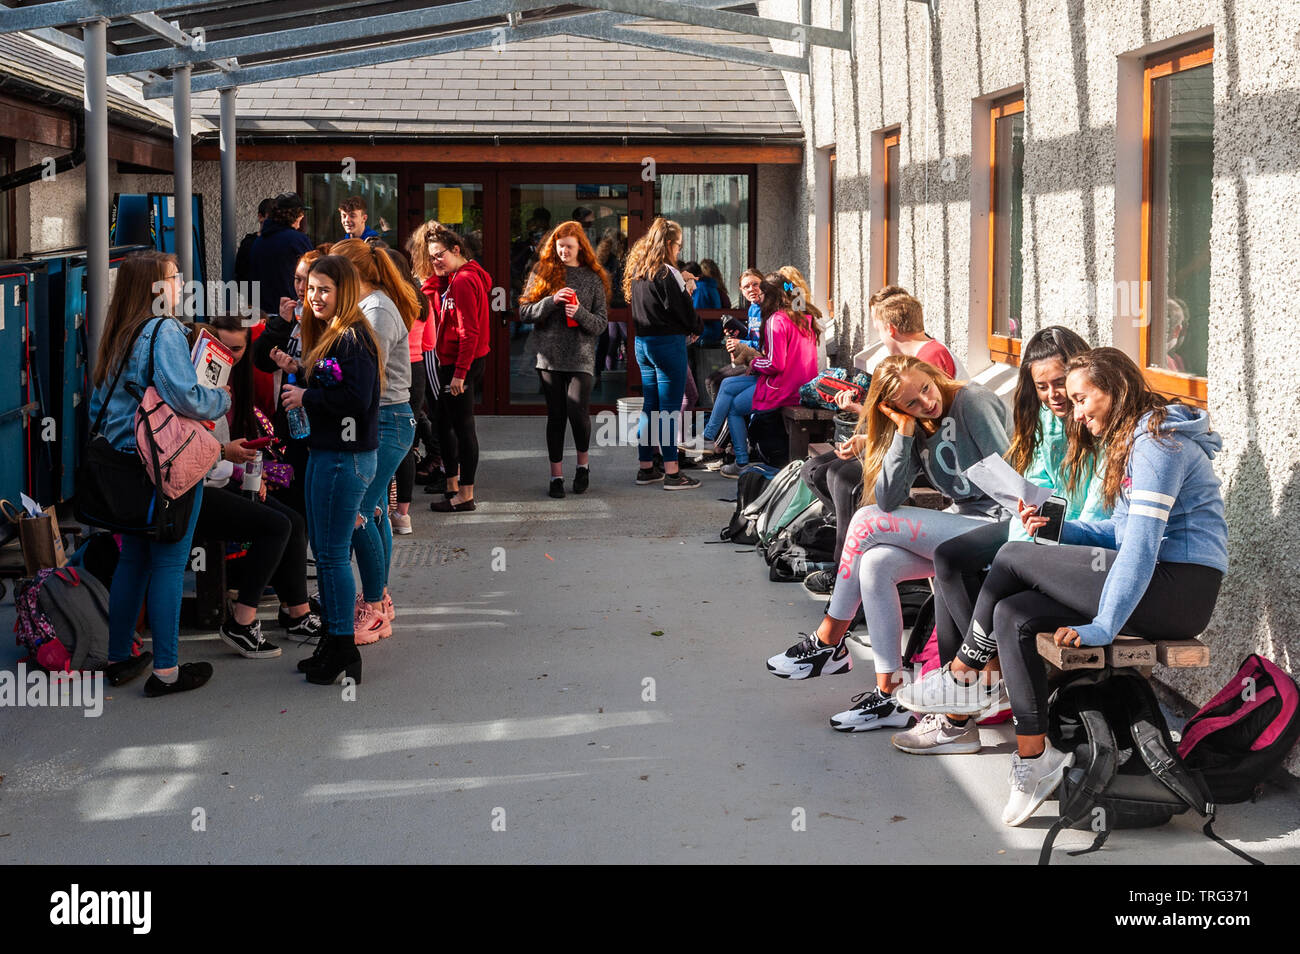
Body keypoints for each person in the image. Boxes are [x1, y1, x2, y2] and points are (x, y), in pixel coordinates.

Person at [900, 347, 1227, 825]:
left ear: (1113, 392)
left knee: (1009, 556)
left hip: (1179, 590)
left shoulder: (1158, 443)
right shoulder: (1131, 443)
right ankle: (1035, 760)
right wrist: (1056, 530)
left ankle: (964, 674)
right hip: (1153, 580)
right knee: (1013, 612)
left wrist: (1103, 626)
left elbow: (1138, 549)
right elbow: (1117, 535)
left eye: (1081, 399)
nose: (1075, 412)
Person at [764, 354, 1011, 735]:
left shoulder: (972, 401)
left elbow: (1011, 477)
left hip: (1003, 525)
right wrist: (903, 435)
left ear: (932, 374)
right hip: (965, 523)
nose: (926, 403)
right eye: (910, 402)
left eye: (925, 389)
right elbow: (889, 497)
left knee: (864, 521)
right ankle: (890, 694)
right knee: (876, 563)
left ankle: (829, 640)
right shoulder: (915, 426)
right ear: (894, 408)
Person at [890, 326, 1106, 755]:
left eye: (1060, 383)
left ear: (1083, 373)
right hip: (1041, 529)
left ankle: (964, 697)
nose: (1053, 395)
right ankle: (970, 687)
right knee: (950, 558)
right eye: (1041, 386)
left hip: (1080, 542)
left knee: (991, 567)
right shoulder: (1045, 417)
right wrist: (1025, 518)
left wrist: (1029, 539)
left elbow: (1091, 508)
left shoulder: (1095, 423)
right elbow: (1040, 483)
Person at [89, 251, 230, 696]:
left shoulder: (118, 330)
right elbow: (185, 396)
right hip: (164, 463)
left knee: (133, 558)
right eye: (173, 276)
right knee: (170, 562)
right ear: (154, 286)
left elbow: (101, 405)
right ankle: (167, 671)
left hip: (122, 461)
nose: (180, 282)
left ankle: (119, 657)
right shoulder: (163, 328)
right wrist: (221, 398)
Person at [799, 286, 962, 598]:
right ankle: (850, 555)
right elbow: (903, 419)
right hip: (911, 446)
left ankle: (846, 571)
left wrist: (871, 434)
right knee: (815, 471)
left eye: (877, 329)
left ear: (890, 328)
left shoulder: (929, 358)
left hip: (934, 458)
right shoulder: (913, 357)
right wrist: (866, 435)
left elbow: (927, 422)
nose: (881, 338)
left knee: (844, 479)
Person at [278, 255, 381, 685]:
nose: (315, 297)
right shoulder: (335, 333)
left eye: (324, 289)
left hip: (344, 457)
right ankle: (334, 643)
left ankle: (343, 650)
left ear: (345, 292)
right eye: (311, 288)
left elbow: (356, 400)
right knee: (325, 552)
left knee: (334, 554)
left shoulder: (353, 337)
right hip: (330, 454)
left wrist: (307, 399)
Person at [196, 314, 322, 659]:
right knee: (277, 525)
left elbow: (230, 445)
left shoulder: (234, 378)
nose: (232, 355)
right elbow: (201, 451)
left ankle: (297, 612)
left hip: (221, 477)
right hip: (198, 488)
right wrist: (240, 472)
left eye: (238, 348)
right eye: (224, 347)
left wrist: (250, 473)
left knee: (292, 520)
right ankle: (241, 623)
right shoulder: (200, 381)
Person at [313, 238, 419, 641]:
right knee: (372, 511)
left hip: (387, 419)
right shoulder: (374, 304)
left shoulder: (374, 310)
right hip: (392, 418)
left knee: (356, 513)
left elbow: (358, 377)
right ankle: (380, 599)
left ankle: (373, 607)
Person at [518, 220, 611, 498]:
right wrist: (551, 301)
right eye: (560, 247)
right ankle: (555, 476)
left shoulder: (593, 278)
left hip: (580, 356)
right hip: (549, 357)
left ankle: (583, 467)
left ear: (580, 247)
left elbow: (601, 323)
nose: (564, 252)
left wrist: (579, 313)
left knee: (578, 413)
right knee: (556, 416)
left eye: (569, 247)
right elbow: (523, 312)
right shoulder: (542, 272)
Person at [701, 274, 819, 477]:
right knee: (728, 384)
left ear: (770, 295)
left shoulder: (776, 320)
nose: (758, 296)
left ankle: (739, 460)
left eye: (761, 291)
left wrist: (753, 362)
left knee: (735, 407)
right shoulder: (804, 317)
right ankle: (708, 437)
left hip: (783, 387)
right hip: (799, 384)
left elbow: (775, 363)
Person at [418, 224, 492, 512]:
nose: (435, 261)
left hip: (460, 364)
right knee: (445, 424)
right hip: (454, 362)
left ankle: (466, 494)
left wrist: (460, 374)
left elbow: (468, 332)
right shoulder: (456, 277)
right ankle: (452, 485)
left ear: (456, 250)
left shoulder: (463, 281)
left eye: (439, 255)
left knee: (462, 427)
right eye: (431, 256)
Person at [624, 217, 702, 490]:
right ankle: (672, 473)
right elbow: (683, 312)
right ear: (669, 244)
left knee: (651, 407)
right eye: (678, 245)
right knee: (669, 411)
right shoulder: (668, 273)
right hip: (668, 344)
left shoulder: (640, 271)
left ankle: (646, 467)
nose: (679, 250)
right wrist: (696, 323)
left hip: (643, 344)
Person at [252, 248, 322, 519]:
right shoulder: (293, 314)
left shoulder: (323, 318)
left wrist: (299, 370)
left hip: (316, 421)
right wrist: (279, 324)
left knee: (311, 497)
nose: (301, 287)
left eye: (308, 281)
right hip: (290, 420)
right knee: (294, 495)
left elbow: (334, 373)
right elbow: (261, 361)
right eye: (297, 279)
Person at [389, 247, 435, 534]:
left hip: (393, 368)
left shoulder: (387, 301)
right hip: (416, 368)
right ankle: (403, 513)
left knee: (385, 437)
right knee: (406, 440)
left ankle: (386, 504)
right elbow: (430, 342)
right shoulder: (421, 299)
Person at [250, 192, 313, 320]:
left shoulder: (258, 241)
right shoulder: (297, 240)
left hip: (263, 314)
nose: (302, 216)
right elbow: (314, 271)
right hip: (289, 312)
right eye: (301, 213)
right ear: (295, 215)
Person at [234, 197, 273, 284]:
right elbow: (240, 274)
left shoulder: (282, 241)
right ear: (260, 217)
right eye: (271, 217)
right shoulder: (249, 243)